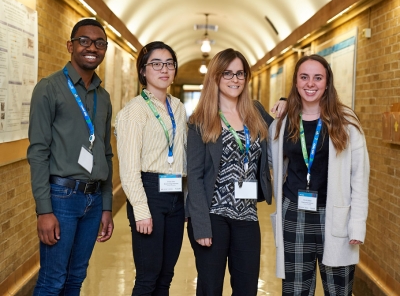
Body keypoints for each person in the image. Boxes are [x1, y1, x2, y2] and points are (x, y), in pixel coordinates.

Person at [268, 54, 369, 295]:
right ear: (295, 82)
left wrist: (357, 225)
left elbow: (360, 176)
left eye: (317, 77)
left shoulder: (346, 121)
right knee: (295, 290)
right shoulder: (284, 122)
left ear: (327, 83)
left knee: (338, 290)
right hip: (294, 214)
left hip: (336, 216)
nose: (310, 84)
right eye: (304, 77)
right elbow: (272, 161)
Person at [27, 18, 114, 295]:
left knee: (76, 278)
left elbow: (106, 152)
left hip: (93, 199)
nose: (92, 48)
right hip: (61, 198)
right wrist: (44, 210)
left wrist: (107, 205)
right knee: (53, 281)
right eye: (84, 41)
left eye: (100, 43)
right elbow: (38, 152)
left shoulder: (104, 97)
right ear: (70, 45)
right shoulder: (49, 88)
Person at [186, 48, 275, 295]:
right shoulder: (200, 120)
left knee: (247, 289)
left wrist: (288, 104)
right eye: (227, 73)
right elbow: (194, 176)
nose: (235, 79)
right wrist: (201, 226)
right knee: (210, 288)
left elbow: (284, 126)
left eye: (240, 74)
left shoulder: (255, 113)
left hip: (247, 216)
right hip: (213, 216)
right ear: (215, 76)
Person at [114, 41, 186, 295]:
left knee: (166, 276)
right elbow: (129, 169)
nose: (164, 69)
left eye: (169, 64)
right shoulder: (134, 112)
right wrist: (141, 211)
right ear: (143, 71)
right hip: (149, 193)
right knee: (148, 277)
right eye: (156, 64)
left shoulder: (178, 107)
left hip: (176, 194)